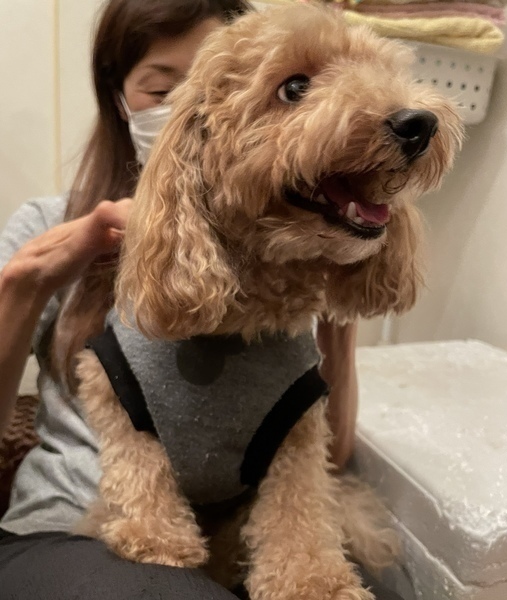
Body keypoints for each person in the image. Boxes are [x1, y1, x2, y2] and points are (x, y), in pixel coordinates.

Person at [0, 1, 398, 598]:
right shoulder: (45, 223)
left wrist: (338, 283)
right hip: (67, 529)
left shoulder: (289, 245)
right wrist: (23, 283)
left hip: (242, 536)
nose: (188, 108)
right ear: (117, 97)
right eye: (164, 89)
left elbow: (329, 453)